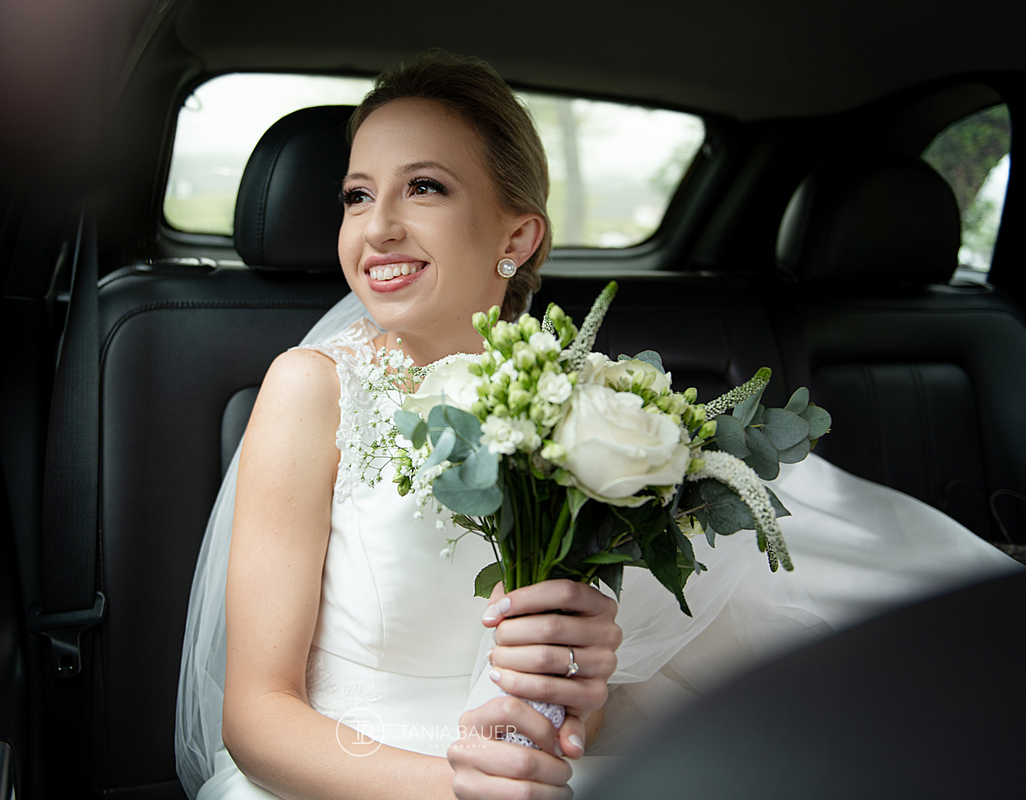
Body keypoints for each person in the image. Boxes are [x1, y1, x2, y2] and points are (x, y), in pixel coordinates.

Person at [176, 52, 1022, 800]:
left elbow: (598, 674)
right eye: (357, 195)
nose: (378, 225)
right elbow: (254, 718)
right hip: (360, 779)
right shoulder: (312, 387)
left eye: (424, 187)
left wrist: (584, 677)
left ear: (518, 233)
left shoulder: (597, 409)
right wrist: (456, 789)